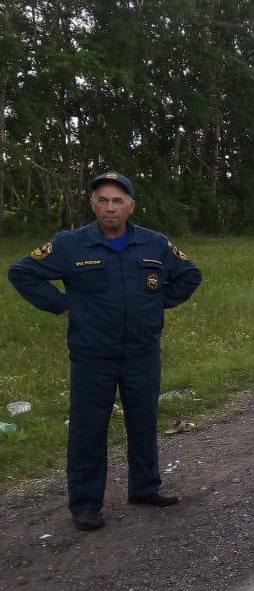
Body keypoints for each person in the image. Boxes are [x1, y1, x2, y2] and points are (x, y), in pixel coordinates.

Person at [8, 171, 202, 531]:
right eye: (103, 200)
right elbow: (22, 272)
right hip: (93, 353)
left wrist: (156, 304)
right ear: (93, 205)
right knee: (89, 429)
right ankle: (85, 504)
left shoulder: (155, 243)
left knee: (143, 420)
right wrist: (63, 306)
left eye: (117, 200)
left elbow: (190, 274)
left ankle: (145, 487)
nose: (110, 207)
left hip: (142, 351)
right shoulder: (70, 244)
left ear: (131, 206)